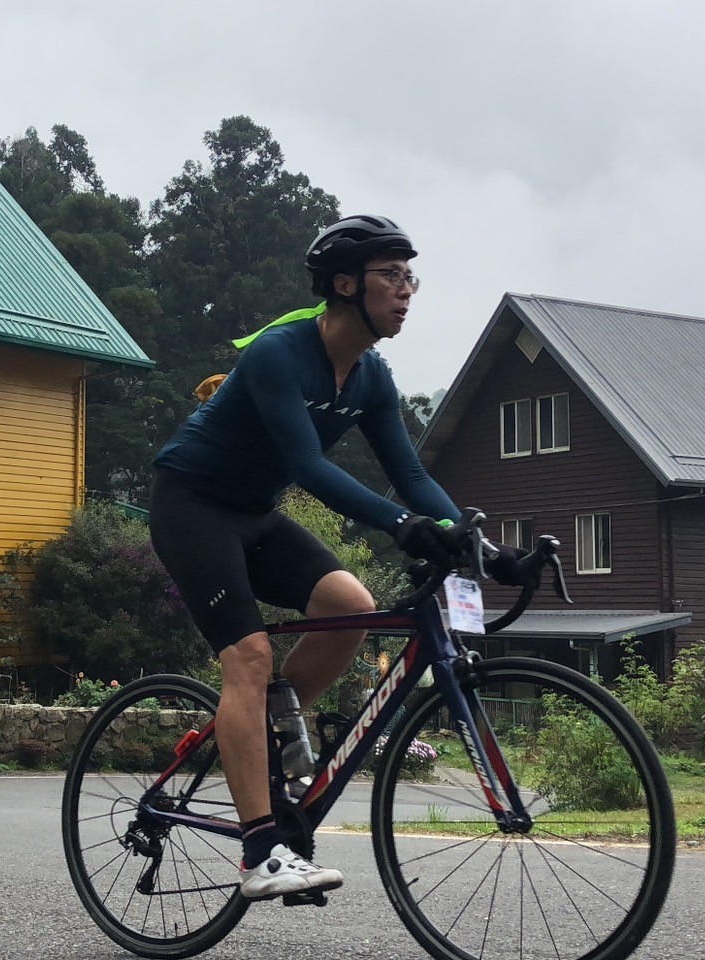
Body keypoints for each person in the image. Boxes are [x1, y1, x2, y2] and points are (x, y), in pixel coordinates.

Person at [151, 215, 526, 901]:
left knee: (350, 606)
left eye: (411, 277)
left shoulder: (371, 377)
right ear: (345, 284)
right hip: (191, 505)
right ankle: (260, 855)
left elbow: (410, 479)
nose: (406, 291)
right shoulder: (278, 353)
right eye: (391, 275)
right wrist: (402, 527)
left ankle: (266, 734)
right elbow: (305, 464)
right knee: (249, 656)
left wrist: (488, 549)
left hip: (255, 514)